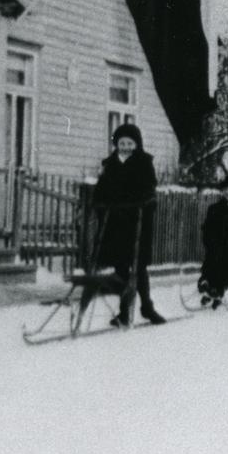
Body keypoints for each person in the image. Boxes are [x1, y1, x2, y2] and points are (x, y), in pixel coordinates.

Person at [93, 123, 166, 327]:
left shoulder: (144, 162)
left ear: (136, 144)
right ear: (116, 144)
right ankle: (124, 312)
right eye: (121, 142)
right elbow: (101, 189)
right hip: (116, 224)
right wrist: (99, 203)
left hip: (137, 223)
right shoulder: (110, 164)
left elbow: (150, 188)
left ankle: (147, 308)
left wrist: (145, 202)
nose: (125, 146)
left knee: (139, 268)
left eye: (129, 143)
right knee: (121, 269)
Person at [198, 175, 228, 308]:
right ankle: (207, 283)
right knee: (215, 254)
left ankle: (216, 287)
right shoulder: (215, 208)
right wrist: (214, 241)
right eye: (226, 189)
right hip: (218, 245)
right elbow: (208, 229)